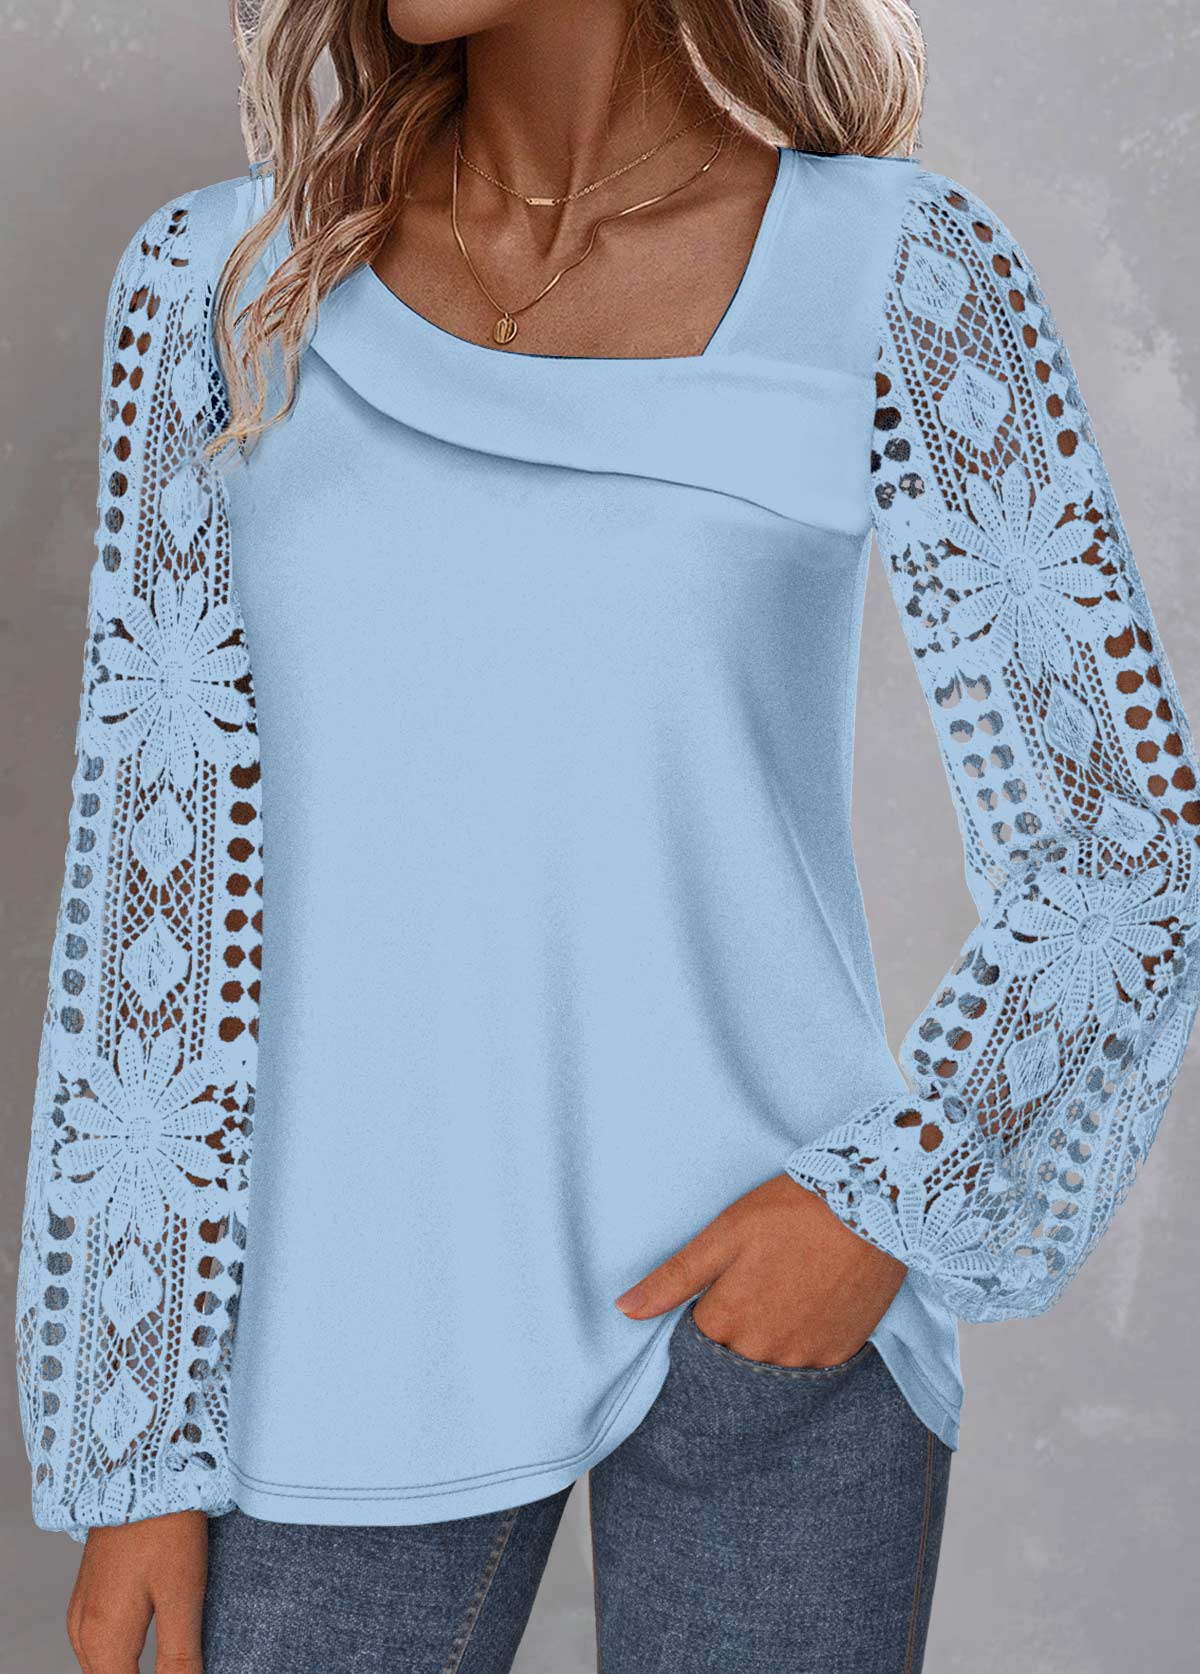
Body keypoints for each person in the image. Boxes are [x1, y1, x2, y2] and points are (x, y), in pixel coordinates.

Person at [15, 1, 1200, 1670]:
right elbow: (163, 873)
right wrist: (139, 1450)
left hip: (766, 1316)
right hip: (345, 1328)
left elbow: (1123, 844)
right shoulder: (223, 284)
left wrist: (883, 1206)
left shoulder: (892, 266)